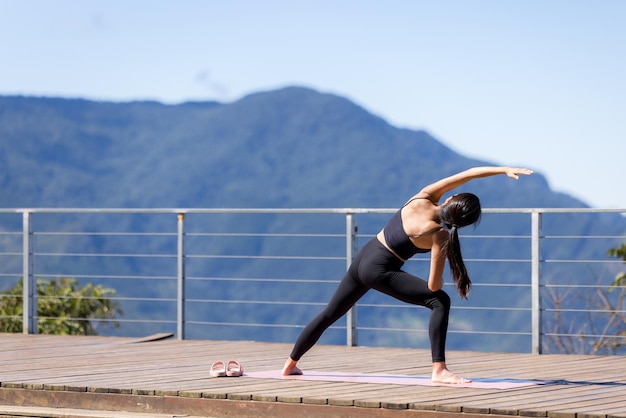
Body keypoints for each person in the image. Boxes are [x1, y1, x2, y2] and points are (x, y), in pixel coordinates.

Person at [282, 166, 534, 384]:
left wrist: (502, 169)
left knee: (330, 313)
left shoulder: (422, 198)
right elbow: (434, 288)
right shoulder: (439, 235)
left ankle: (290, 364)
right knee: (440, 301)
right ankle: (439, 370)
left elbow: (467, 174)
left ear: (452, 198)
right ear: (463, 224)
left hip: (364, 257)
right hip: (379, 270)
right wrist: (441, 275)